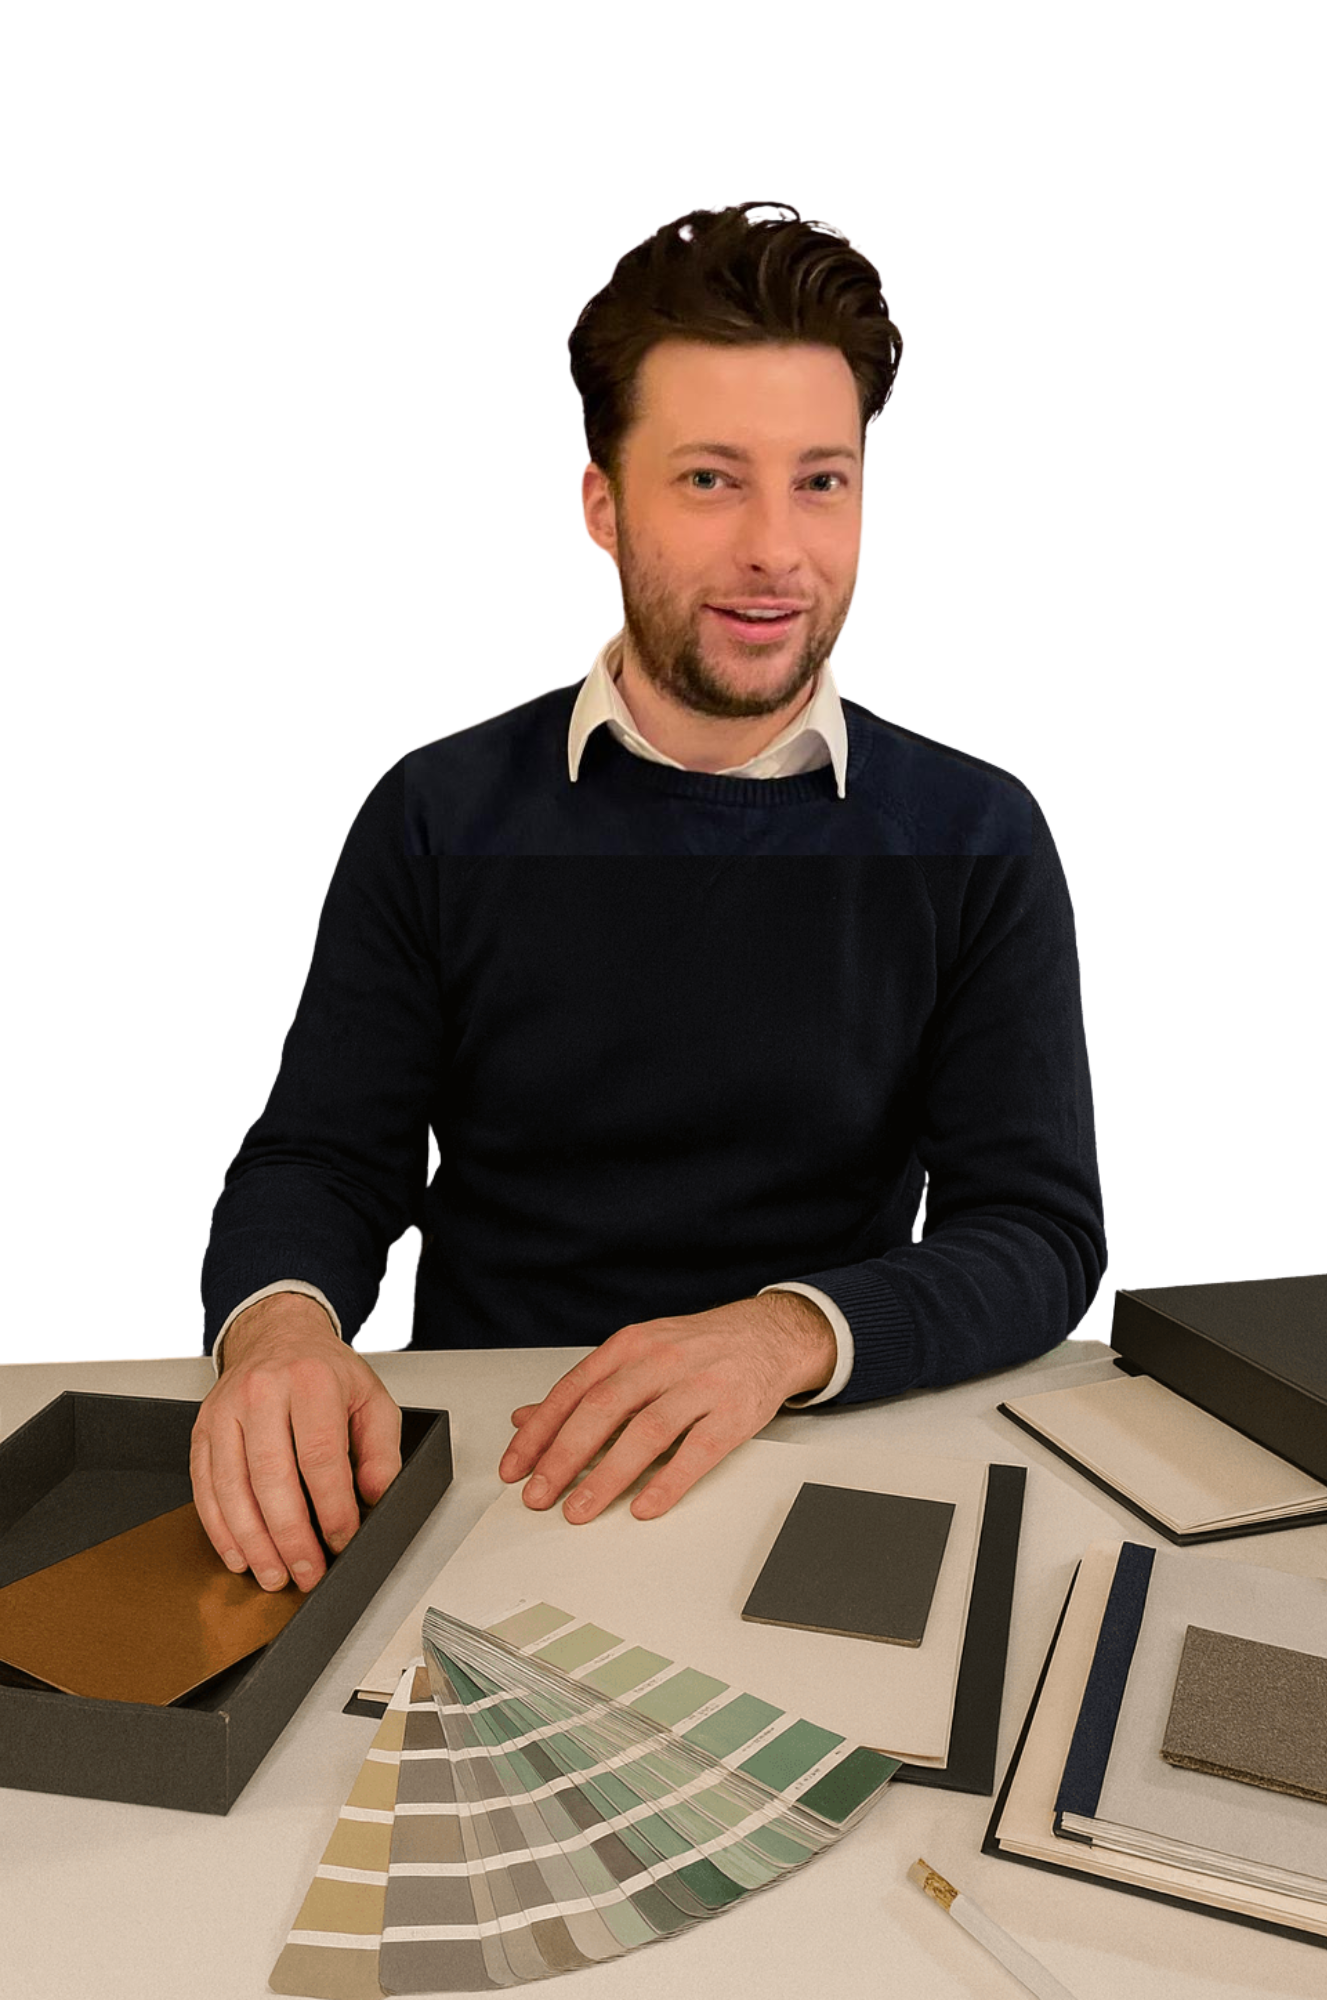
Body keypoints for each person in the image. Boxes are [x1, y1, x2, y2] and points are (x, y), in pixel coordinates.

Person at [195, 199, 1106, 1597]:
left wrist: (780, 1335)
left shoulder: (976, 838)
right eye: (707, 480)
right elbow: (319, 1160)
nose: (775, 551)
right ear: (599, 507)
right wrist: (279, 1331)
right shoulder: (438, 812)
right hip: (500, 1467)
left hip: (836, 1450)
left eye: (818, 481)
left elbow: (1036, 1236)